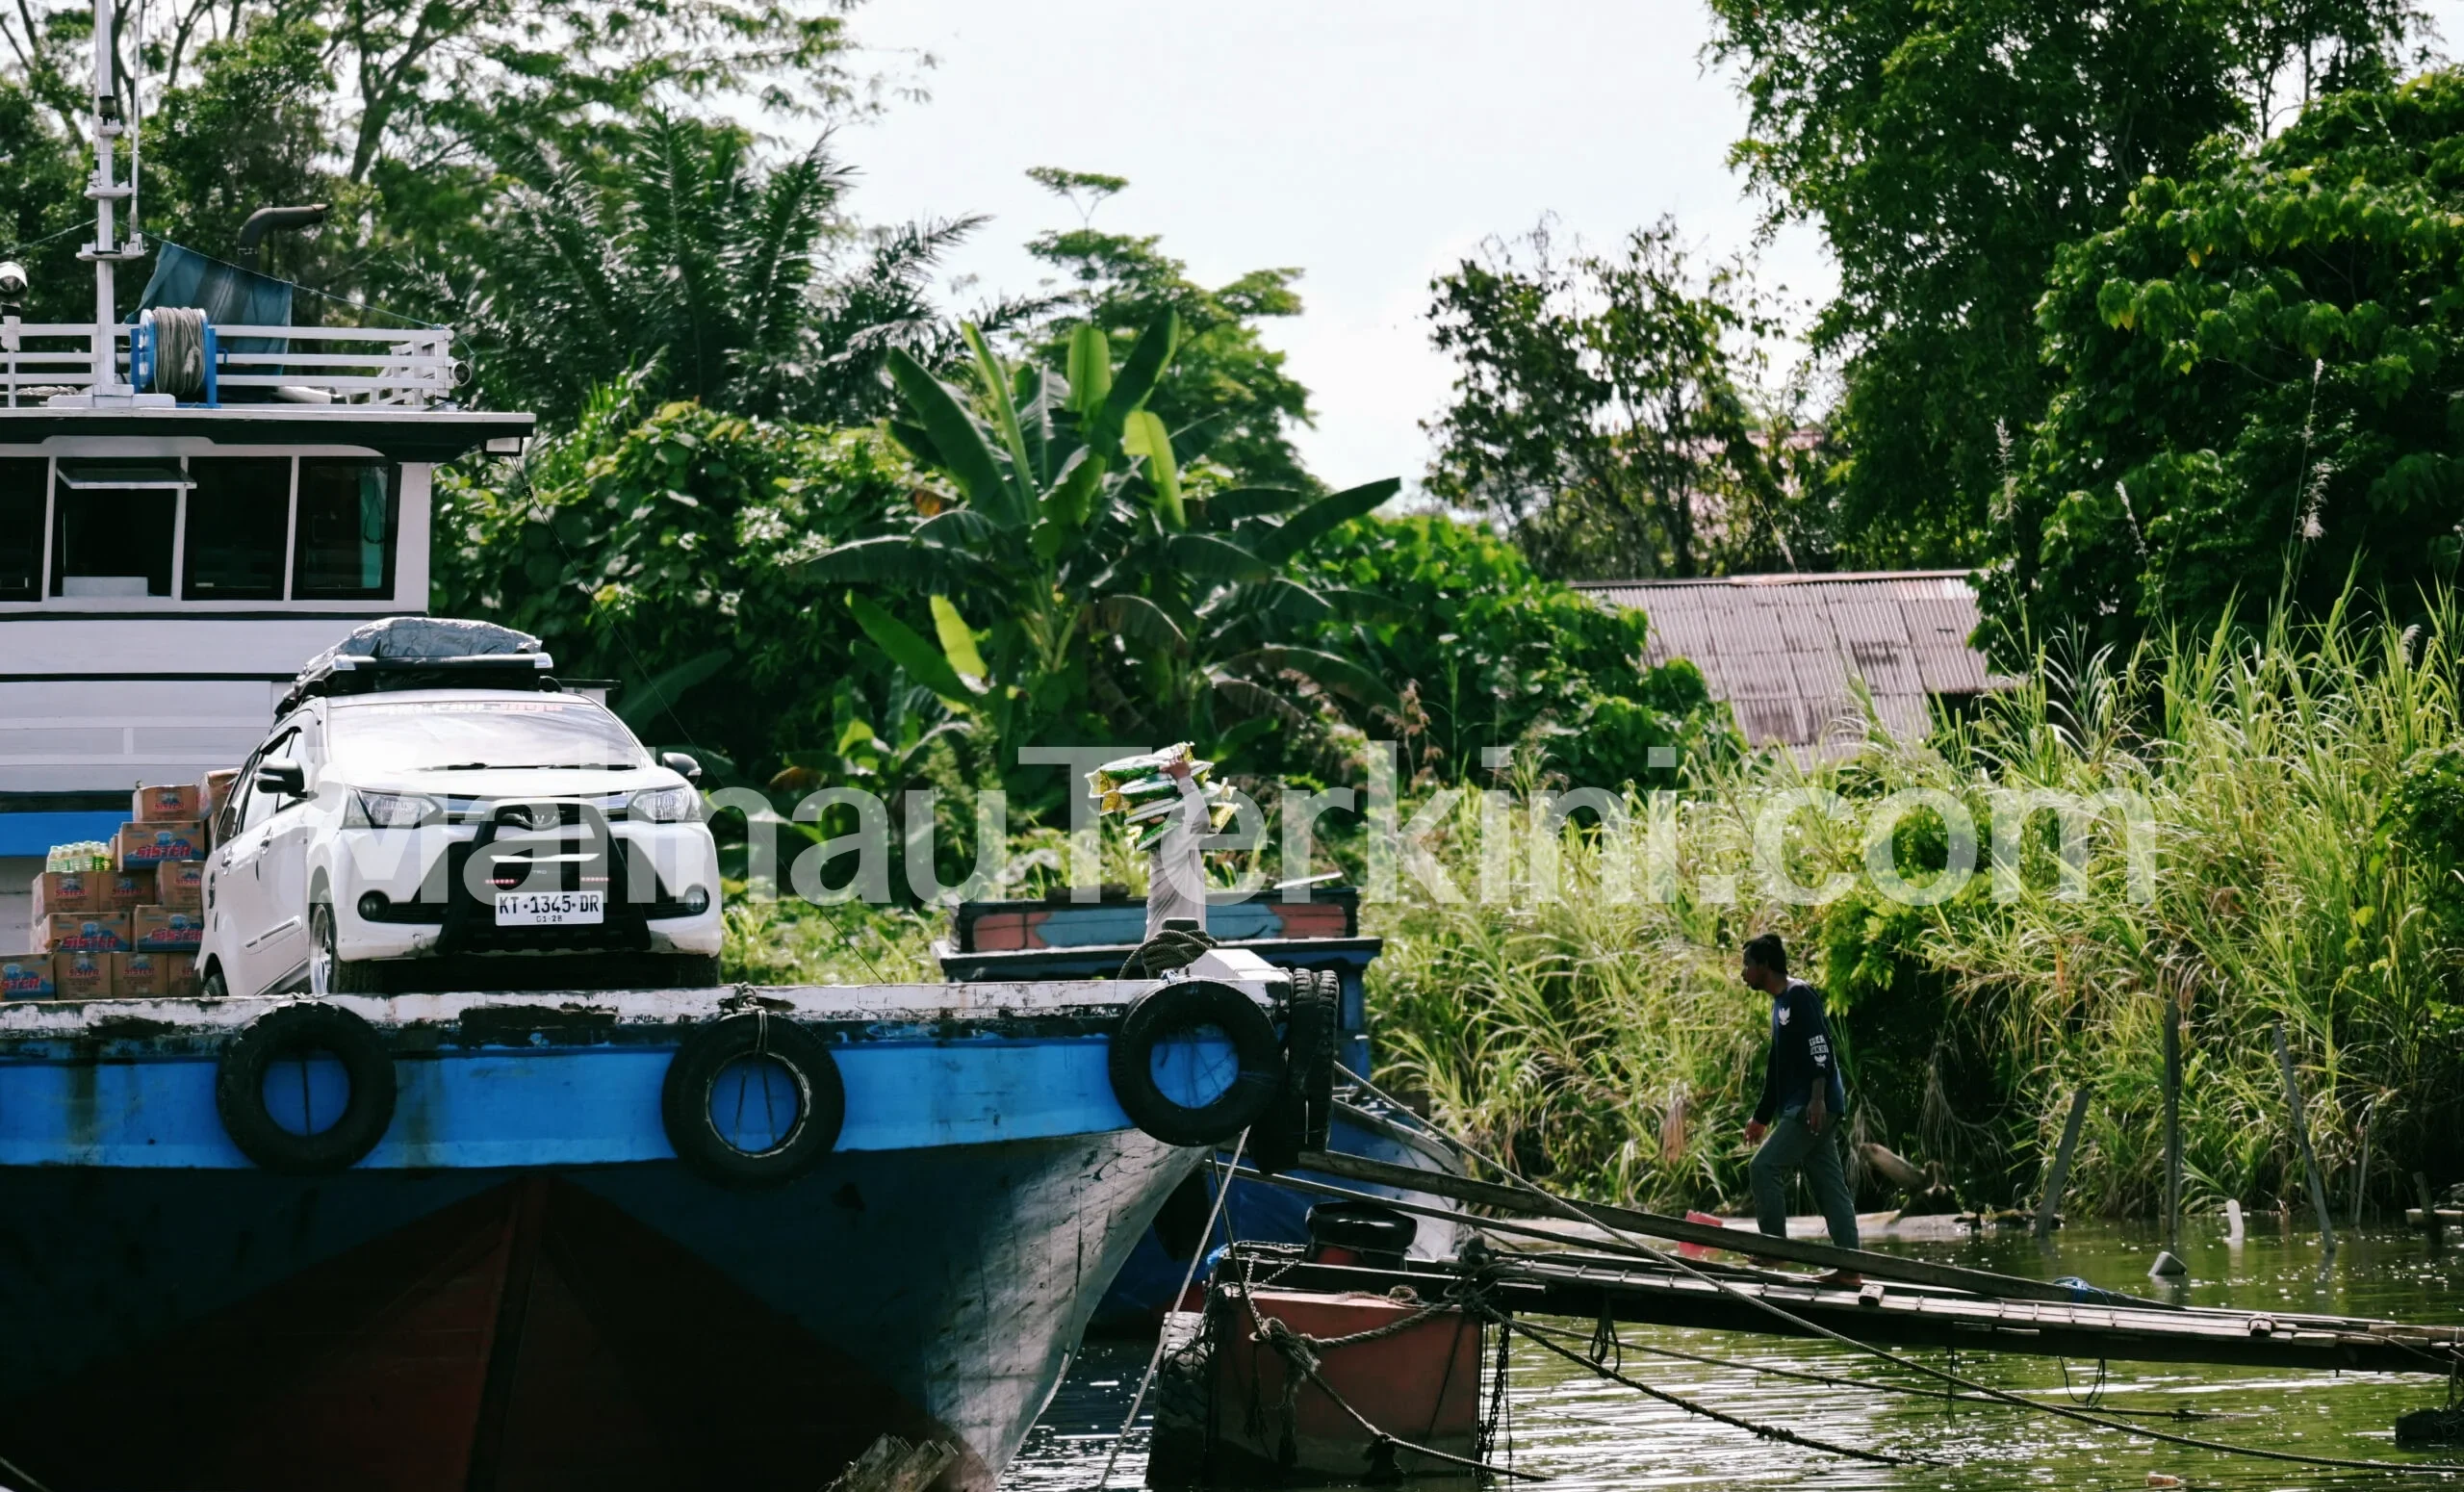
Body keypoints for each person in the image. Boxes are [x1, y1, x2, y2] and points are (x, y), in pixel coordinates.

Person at [1739, 932, 1861, 1260]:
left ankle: (1774, 1248)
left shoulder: (1799, 994)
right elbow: (1776, 1069)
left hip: (1812, 1106)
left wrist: (1817, 1098)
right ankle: (1851, 1266)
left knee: (1763, 1167)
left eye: (1747, 964)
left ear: (1764, 965)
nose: (1743, 972)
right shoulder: (1781, 1005)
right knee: (1829, 1188)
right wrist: (1761, 1118)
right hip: (1807, 1106)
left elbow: (1819, 1045)